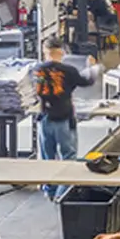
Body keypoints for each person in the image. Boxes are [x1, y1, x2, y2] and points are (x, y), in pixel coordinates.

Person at [31, 37, 98, 197]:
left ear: (44, 51)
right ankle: (63, 193)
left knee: (48, 158)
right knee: (68, 157)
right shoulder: (68, 71)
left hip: (44, 118)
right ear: (61, 52)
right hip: (64, 118)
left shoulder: (37, 70)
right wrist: (92, 66)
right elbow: (87, 81)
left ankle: (51, 191)